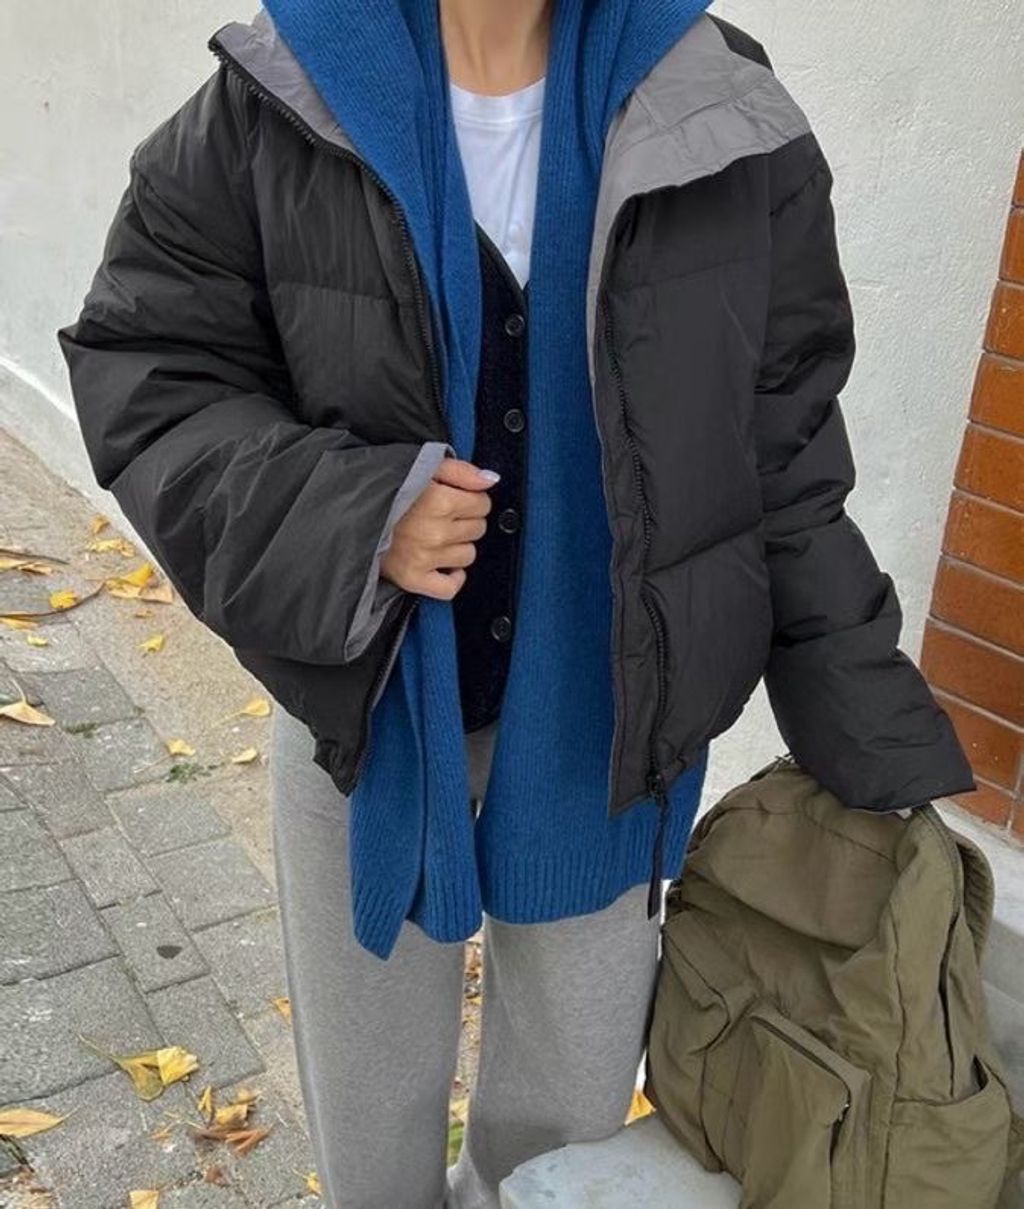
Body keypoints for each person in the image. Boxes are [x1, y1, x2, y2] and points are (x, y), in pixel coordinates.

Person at [57, 1, 976, 1206]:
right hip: (366, 718)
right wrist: (360, 517)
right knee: (370, 1124)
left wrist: (870, 740)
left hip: (611, 731)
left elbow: (783, 451)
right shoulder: (278, 92)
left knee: (566, 1130)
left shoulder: (711, 99)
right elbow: (151, 371)